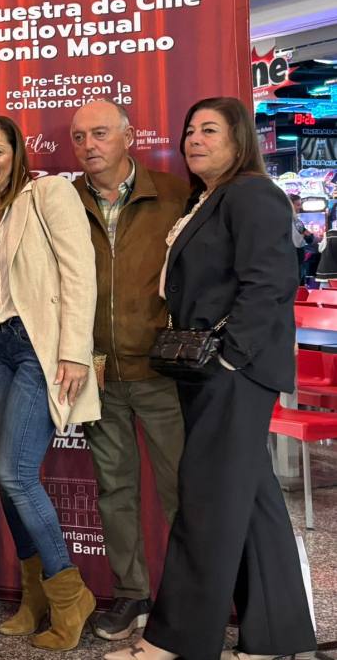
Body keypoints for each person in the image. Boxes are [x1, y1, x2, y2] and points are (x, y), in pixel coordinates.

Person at [105, 98, 316, 660]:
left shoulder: (250, 194)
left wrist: (230, 358)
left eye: (210, 130)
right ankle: (276, 636)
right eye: (190, 130)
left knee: (206, 502)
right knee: (252, 501)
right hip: (210, 371)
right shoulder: (211, 197)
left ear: (239, 139)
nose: (194, 139)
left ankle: (174, 640)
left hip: (232, 373)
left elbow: (269, 283)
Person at [0, 115, 100, 652]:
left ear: (16, 153)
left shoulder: (48, 193)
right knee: (3, 477)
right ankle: (35, 596)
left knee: (16, 472)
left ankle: (70, 597)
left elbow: (79, 271)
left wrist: (73, 351)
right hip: (0, 346)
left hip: (38, 347)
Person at [67, 100, 188, 642]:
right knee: (114, 490)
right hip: (98, 375)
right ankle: (131, 594)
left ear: (129, 137)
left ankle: (189, 598)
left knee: (181, 490)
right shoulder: (64, 200)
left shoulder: (174, 194)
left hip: (163, 371)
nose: (88, 145)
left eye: (100, 133)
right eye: (79, 137)